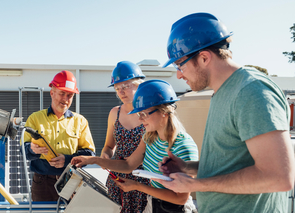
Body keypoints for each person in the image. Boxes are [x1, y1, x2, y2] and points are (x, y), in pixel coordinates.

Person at [156, 12, 295, 213]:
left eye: (180, 65)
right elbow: (231, 162)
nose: (179, 74)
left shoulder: (252, 91)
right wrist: (188, 168)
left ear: (203, 58)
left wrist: (195, 185)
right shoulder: (222, 92)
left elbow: (279, 178)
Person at [72, 80, 199, 213]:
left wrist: (137, 186)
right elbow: (128, 165)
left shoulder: (183, 145)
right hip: (152, 203)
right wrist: (93, 160)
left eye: (144, 114)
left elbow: (180, 199)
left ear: (164, 112)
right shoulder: (150, 137)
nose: (140, 119)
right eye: (139, 114)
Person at [22, 70, 96, 201]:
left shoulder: (80, 121)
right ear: (52, 92)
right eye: (62, 93)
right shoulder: (35, 119)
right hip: (42, 183)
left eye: (70, 95)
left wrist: (67, 160)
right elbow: (24, 152)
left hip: (71, 180)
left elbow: (89, 154)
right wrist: (33, 150)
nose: (66, 99)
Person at [102, 61, 150, 213]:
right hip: (117, 182)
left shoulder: (151, 113)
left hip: (145, 182)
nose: (121, 92)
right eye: (117, 88)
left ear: (139, 85)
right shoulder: (113, 114)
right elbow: (109, 146)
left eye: (125, 86)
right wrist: (105, 155)